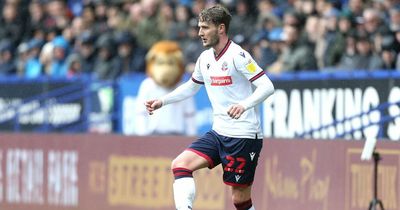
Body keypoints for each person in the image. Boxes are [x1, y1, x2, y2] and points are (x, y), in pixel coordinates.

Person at [144, 5, 274, 210]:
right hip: (218, 133)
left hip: (243, 136)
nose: (199, 33)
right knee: (180, 164)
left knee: (239, 200)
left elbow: (267, 86)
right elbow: (191, 87)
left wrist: (244, 105)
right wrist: (162, 101)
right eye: (199, 27)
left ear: (221, 28)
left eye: (205, 27)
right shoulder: (204, 58)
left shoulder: (238, 56)